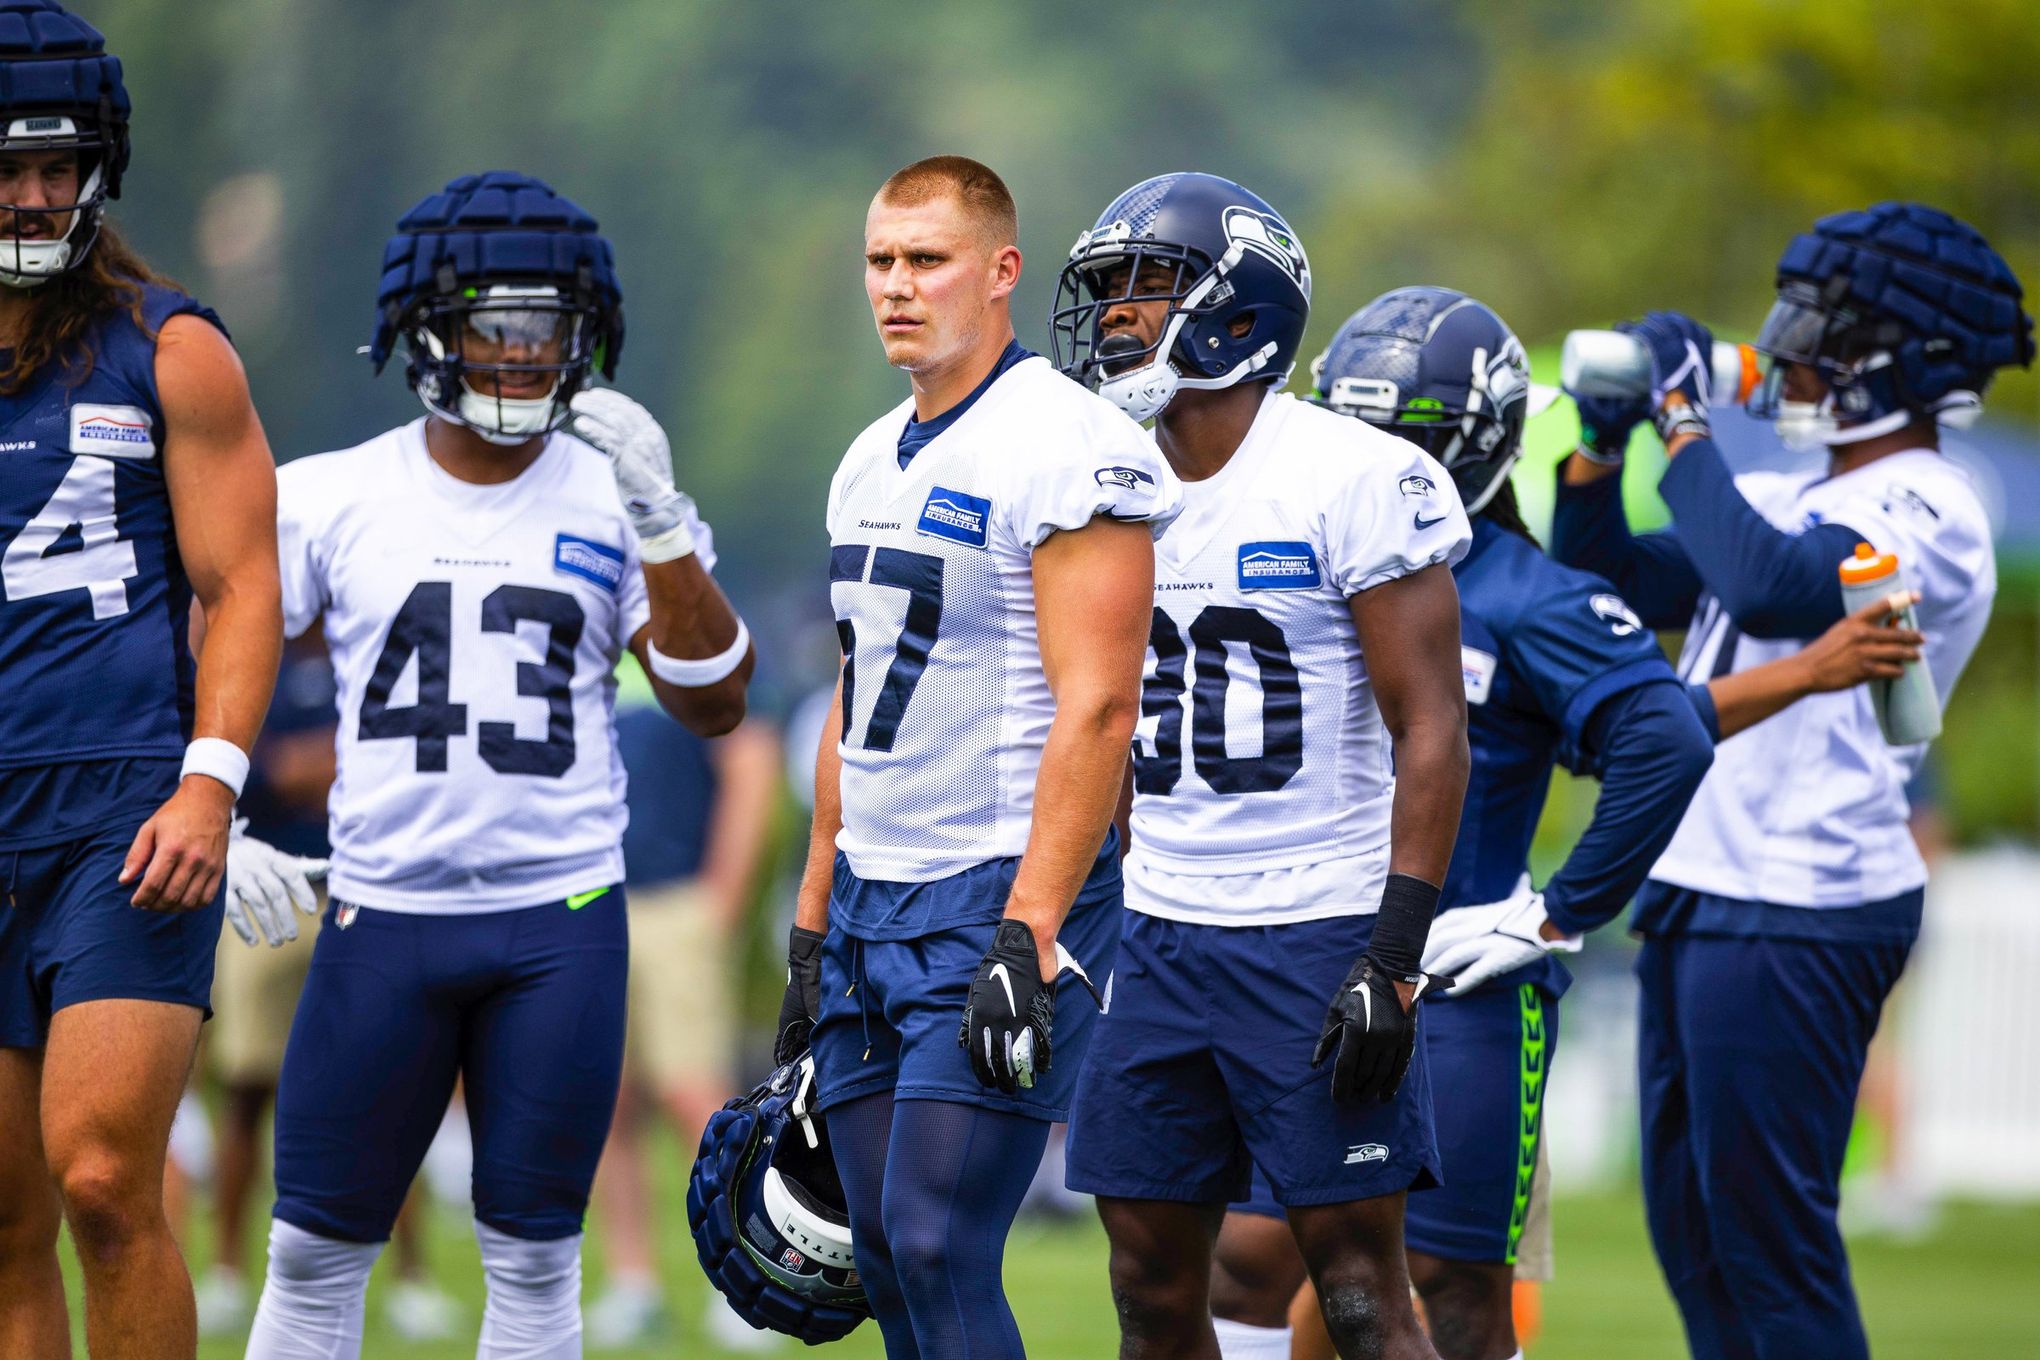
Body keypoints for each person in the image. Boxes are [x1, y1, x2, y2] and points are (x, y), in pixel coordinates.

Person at [1205, 287, 1932, 1360]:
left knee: (1447, 1289)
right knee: (1257, 1257)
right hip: (1298, 960)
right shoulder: (1277, 558)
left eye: (1389, 436)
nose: (1356, 459)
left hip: (1457, 981)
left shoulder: (1524, 593)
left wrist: (1554, 914)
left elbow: (1657, 729)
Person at [241, 170, 751, 1359]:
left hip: (556, 919)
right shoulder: (332, 494)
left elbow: (715, 700)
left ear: (590, 338)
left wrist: (665, 525)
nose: (522, 355)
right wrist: (215, 799)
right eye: (494, 324)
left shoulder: (620, 496)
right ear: (427, 325)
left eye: (547, 329)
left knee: (534, 1262)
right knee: (312, 1253)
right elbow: (214, 647)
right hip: (382, 911)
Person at [1549, 202, 2030, 1360]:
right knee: (1698, 1242)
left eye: (1824, 329)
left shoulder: (1932, 504)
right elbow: (1607, 577)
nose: (1795, 349)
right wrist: (1600, 451)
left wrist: (1682, 417)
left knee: (1771, 1251)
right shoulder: (1797, 494)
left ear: (1903, 359)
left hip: (1801, 900)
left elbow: (1769, 589)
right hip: (1707, 884)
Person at [1050, 175, 1473, 1360]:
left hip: (1314, 926)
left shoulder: (1351, 475)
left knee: (1355, 1288)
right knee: (1151, 1287)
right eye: (1109, 289)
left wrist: (1391, 955)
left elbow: (1430, 724)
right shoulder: (1106, 482)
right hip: (1165, 933)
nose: (1121, 314)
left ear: (1241, 307)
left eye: (1151, 283)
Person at [773, 154, 1179, 1360]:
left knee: (942, 1240)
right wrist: (811, 916)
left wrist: (1032, 925)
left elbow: (1102, 704)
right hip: (868, 899)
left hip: (993, 892)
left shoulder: (1063, 440)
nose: (896, 287)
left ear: (1000, 270)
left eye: (926, 260)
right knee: (885, 1254)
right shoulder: (863, 458)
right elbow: (856, 698)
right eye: (880, 261)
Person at [0, 4, 285, 1354]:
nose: (34, 194)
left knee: (107, 1183)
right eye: (7, 166)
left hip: (124, 817)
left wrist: (211, 785)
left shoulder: (170, 346)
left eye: (57, 165)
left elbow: (243, 588)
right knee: (0, 1222)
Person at [585, 669, 783, 1352]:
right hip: (589, 907)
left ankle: (742, 1287)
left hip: (676, 907)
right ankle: (632, 1284)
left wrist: (720, 903)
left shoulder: (686, 638)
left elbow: (751, 760)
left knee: (694, 1098)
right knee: (605, 1101)